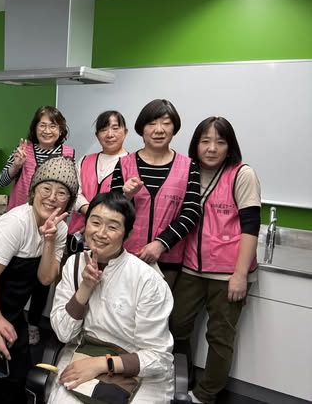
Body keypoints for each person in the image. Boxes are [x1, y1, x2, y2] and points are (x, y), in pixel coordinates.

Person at [48, 192, 174, 404]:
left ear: (128, 234)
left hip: (136, 363)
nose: (100, 233)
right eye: (95, 222)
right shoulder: (74, 265)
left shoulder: (147, 280)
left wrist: (102, 364)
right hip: (84, 350)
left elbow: (159, 358)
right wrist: (85, 288)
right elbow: (63, 333)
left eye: (113, 227)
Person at [169, 117, 261, 404]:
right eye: (205, 141)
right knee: (176, 325)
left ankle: (205, 394)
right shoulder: (188, 171)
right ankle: (181, 379)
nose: (212, 148)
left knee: (220, 337)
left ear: (229, 146)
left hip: (227, 273)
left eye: (220, 142)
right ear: (196, 144)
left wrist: (240, 275)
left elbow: (251, 227)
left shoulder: (241, 174)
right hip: (191, 268)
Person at [0, 156, 79, 404]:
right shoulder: (15, 224)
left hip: (14, 311)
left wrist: (50, 240)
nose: (52, 197)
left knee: (20, 378)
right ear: (33, 191)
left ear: (69, 201)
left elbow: (45, 278)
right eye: (46, 188)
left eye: (61, 193)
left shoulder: (60, 229)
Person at [0, 105, 75, 345]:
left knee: (43, 279)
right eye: (42, 125)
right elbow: (1, 181)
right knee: (11, 276)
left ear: (61, 129)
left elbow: (71, 189)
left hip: (50, 225)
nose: (47, 130)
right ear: (35, 128)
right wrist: (16, 166)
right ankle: (3, 319)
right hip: (20, 224)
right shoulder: (23, 150)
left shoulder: (68, 154)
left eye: (53, 125)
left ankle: (33, 323)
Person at [110, 98, 201, 288]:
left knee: (160, 306)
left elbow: (192, 212)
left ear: (174, 129)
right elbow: (111, 210)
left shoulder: (188, 166)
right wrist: (126, 197)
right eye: (151, 124)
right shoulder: (124, 164)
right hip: (125, 256)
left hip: (168, 259)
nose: (159, 130)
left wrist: (161, 243)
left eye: (166, 123)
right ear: (141, 129)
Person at [68, 110, 128, 238]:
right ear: (97, 135)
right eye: (104, 129)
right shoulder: (84, 161)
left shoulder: (131, 164)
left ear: (125, 132)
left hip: (111, 237)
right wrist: (89, 211)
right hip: (78, 234)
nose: (110, 134)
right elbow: (74, 191)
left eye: (115, 128)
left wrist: (97, 218)